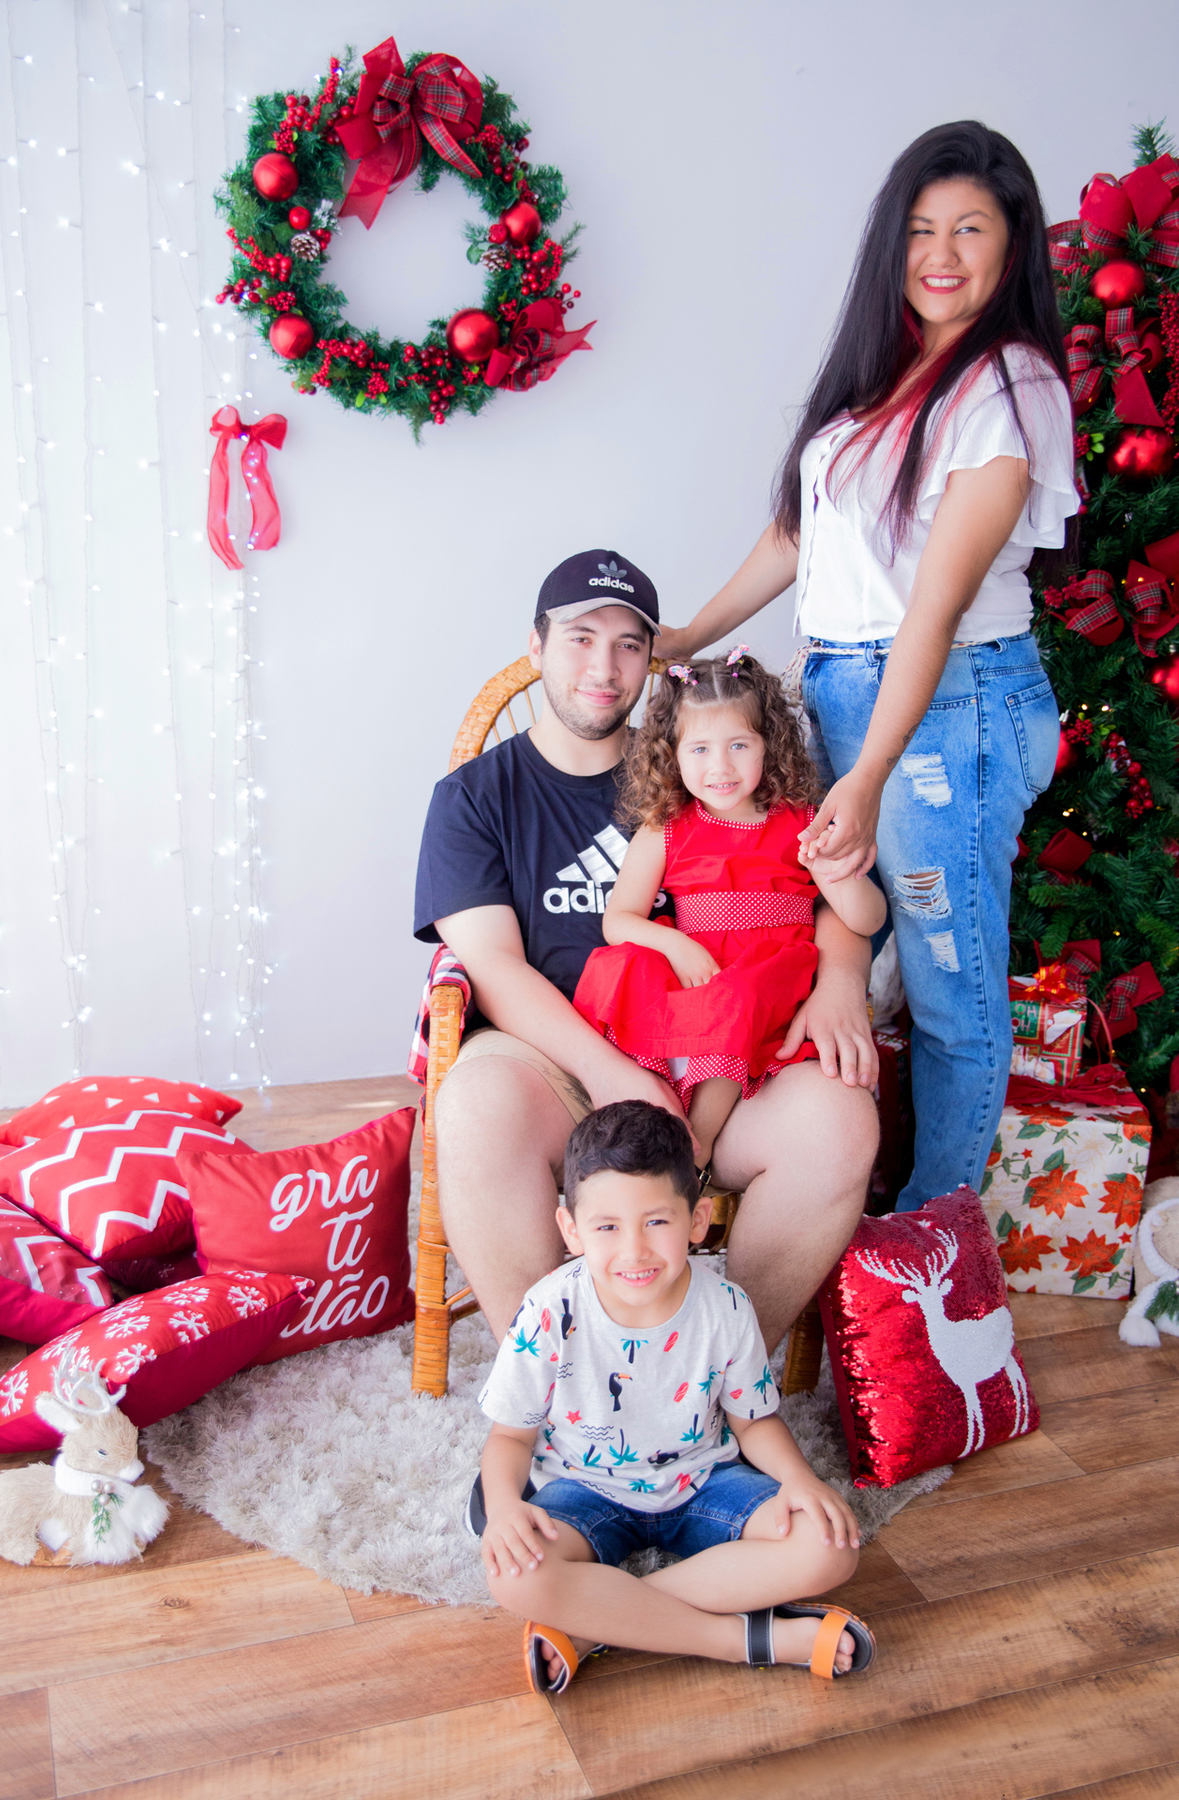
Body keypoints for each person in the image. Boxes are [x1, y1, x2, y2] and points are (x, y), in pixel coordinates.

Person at [655, 121, 1078, 1212]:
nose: (941, 252)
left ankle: (929, 1238)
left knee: (950, 986)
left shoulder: (1009, 384)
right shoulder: (885, 378)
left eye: (970, 228)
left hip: (944, 708)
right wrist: (690, 636)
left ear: (1011, 245)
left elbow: (932, 607)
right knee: (852, 953)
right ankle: (851, 1191)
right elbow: (802, 537)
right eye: (920, 229)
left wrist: (871, 768)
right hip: (850, 690)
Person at [414, 549, 879, 1354]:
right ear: (536, 646)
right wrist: (611, 1073)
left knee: (839, 1120)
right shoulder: (476, 799)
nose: (604, 664)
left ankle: (716, 1380)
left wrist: (841, 974)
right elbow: (491, 967)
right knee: (473, 1106)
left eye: (630, 642)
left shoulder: (708, 758)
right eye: (580, 637)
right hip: (556, 1065)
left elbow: (807, 875)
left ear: (653, 660)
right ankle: (557, 1389)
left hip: (726, 1059)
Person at [477, 1100, 875, 1695]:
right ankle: (744, 1641)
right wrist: (505, 1506)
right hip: (585, 1491)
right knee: (514, 1577)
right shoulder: (549, 1309)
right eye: (607, 1227)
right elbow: (509, 1436)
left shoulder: (726, 1308)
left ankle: (593, 1626)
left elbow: (754, 1422)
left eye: (656, 1222)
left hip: (704, 1484)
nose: (634, 1251)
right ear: (572, 1230)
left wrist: (801, 1481)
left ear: (697, 1220)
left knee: (829, 1547)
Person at [574, 649, 885, 1169]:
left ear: (770, 745)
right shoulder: (666, 828)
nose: (719, 766)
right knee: (624, 968)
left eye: (739, 744)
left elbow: (869, 920)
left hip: (768, 973)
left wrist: (837, 875)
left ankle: (695, 1146)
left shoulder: (804, 820)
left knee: (735, 999)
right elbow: (618, 921)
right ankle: (648, 1116)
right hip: (700, 963)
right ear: (672, 754)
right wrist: (675, 943)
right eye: (699, 748)